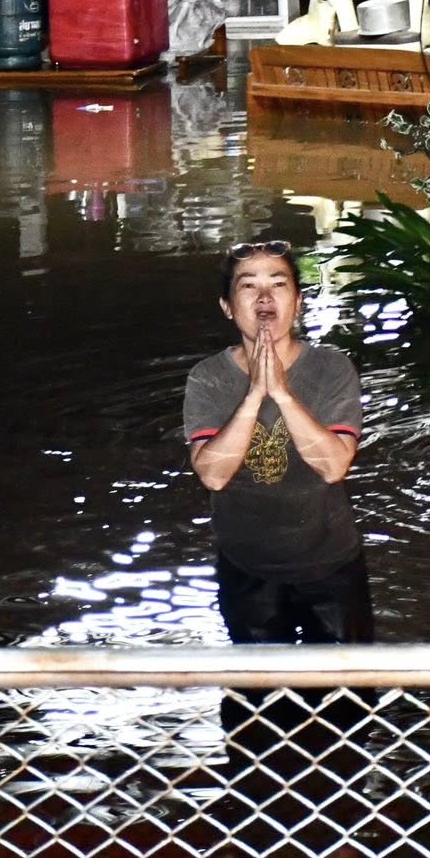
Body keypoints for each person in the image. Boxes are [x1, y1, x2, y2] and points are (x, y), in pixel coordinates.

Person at [183, 239, 371, 644]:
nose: (264, 296)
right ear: (228, 307)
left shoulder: (331, 368)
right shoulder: (208, 377)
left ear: (298, 301)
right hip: (247, 569)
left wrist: (283, 394)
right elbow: (214, 475)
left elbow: (334, 466)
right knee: (259, 702)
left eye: (278, 284)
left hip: (332, 566)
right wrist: (254, 394)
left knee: (348, 698)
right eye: (248, 286)